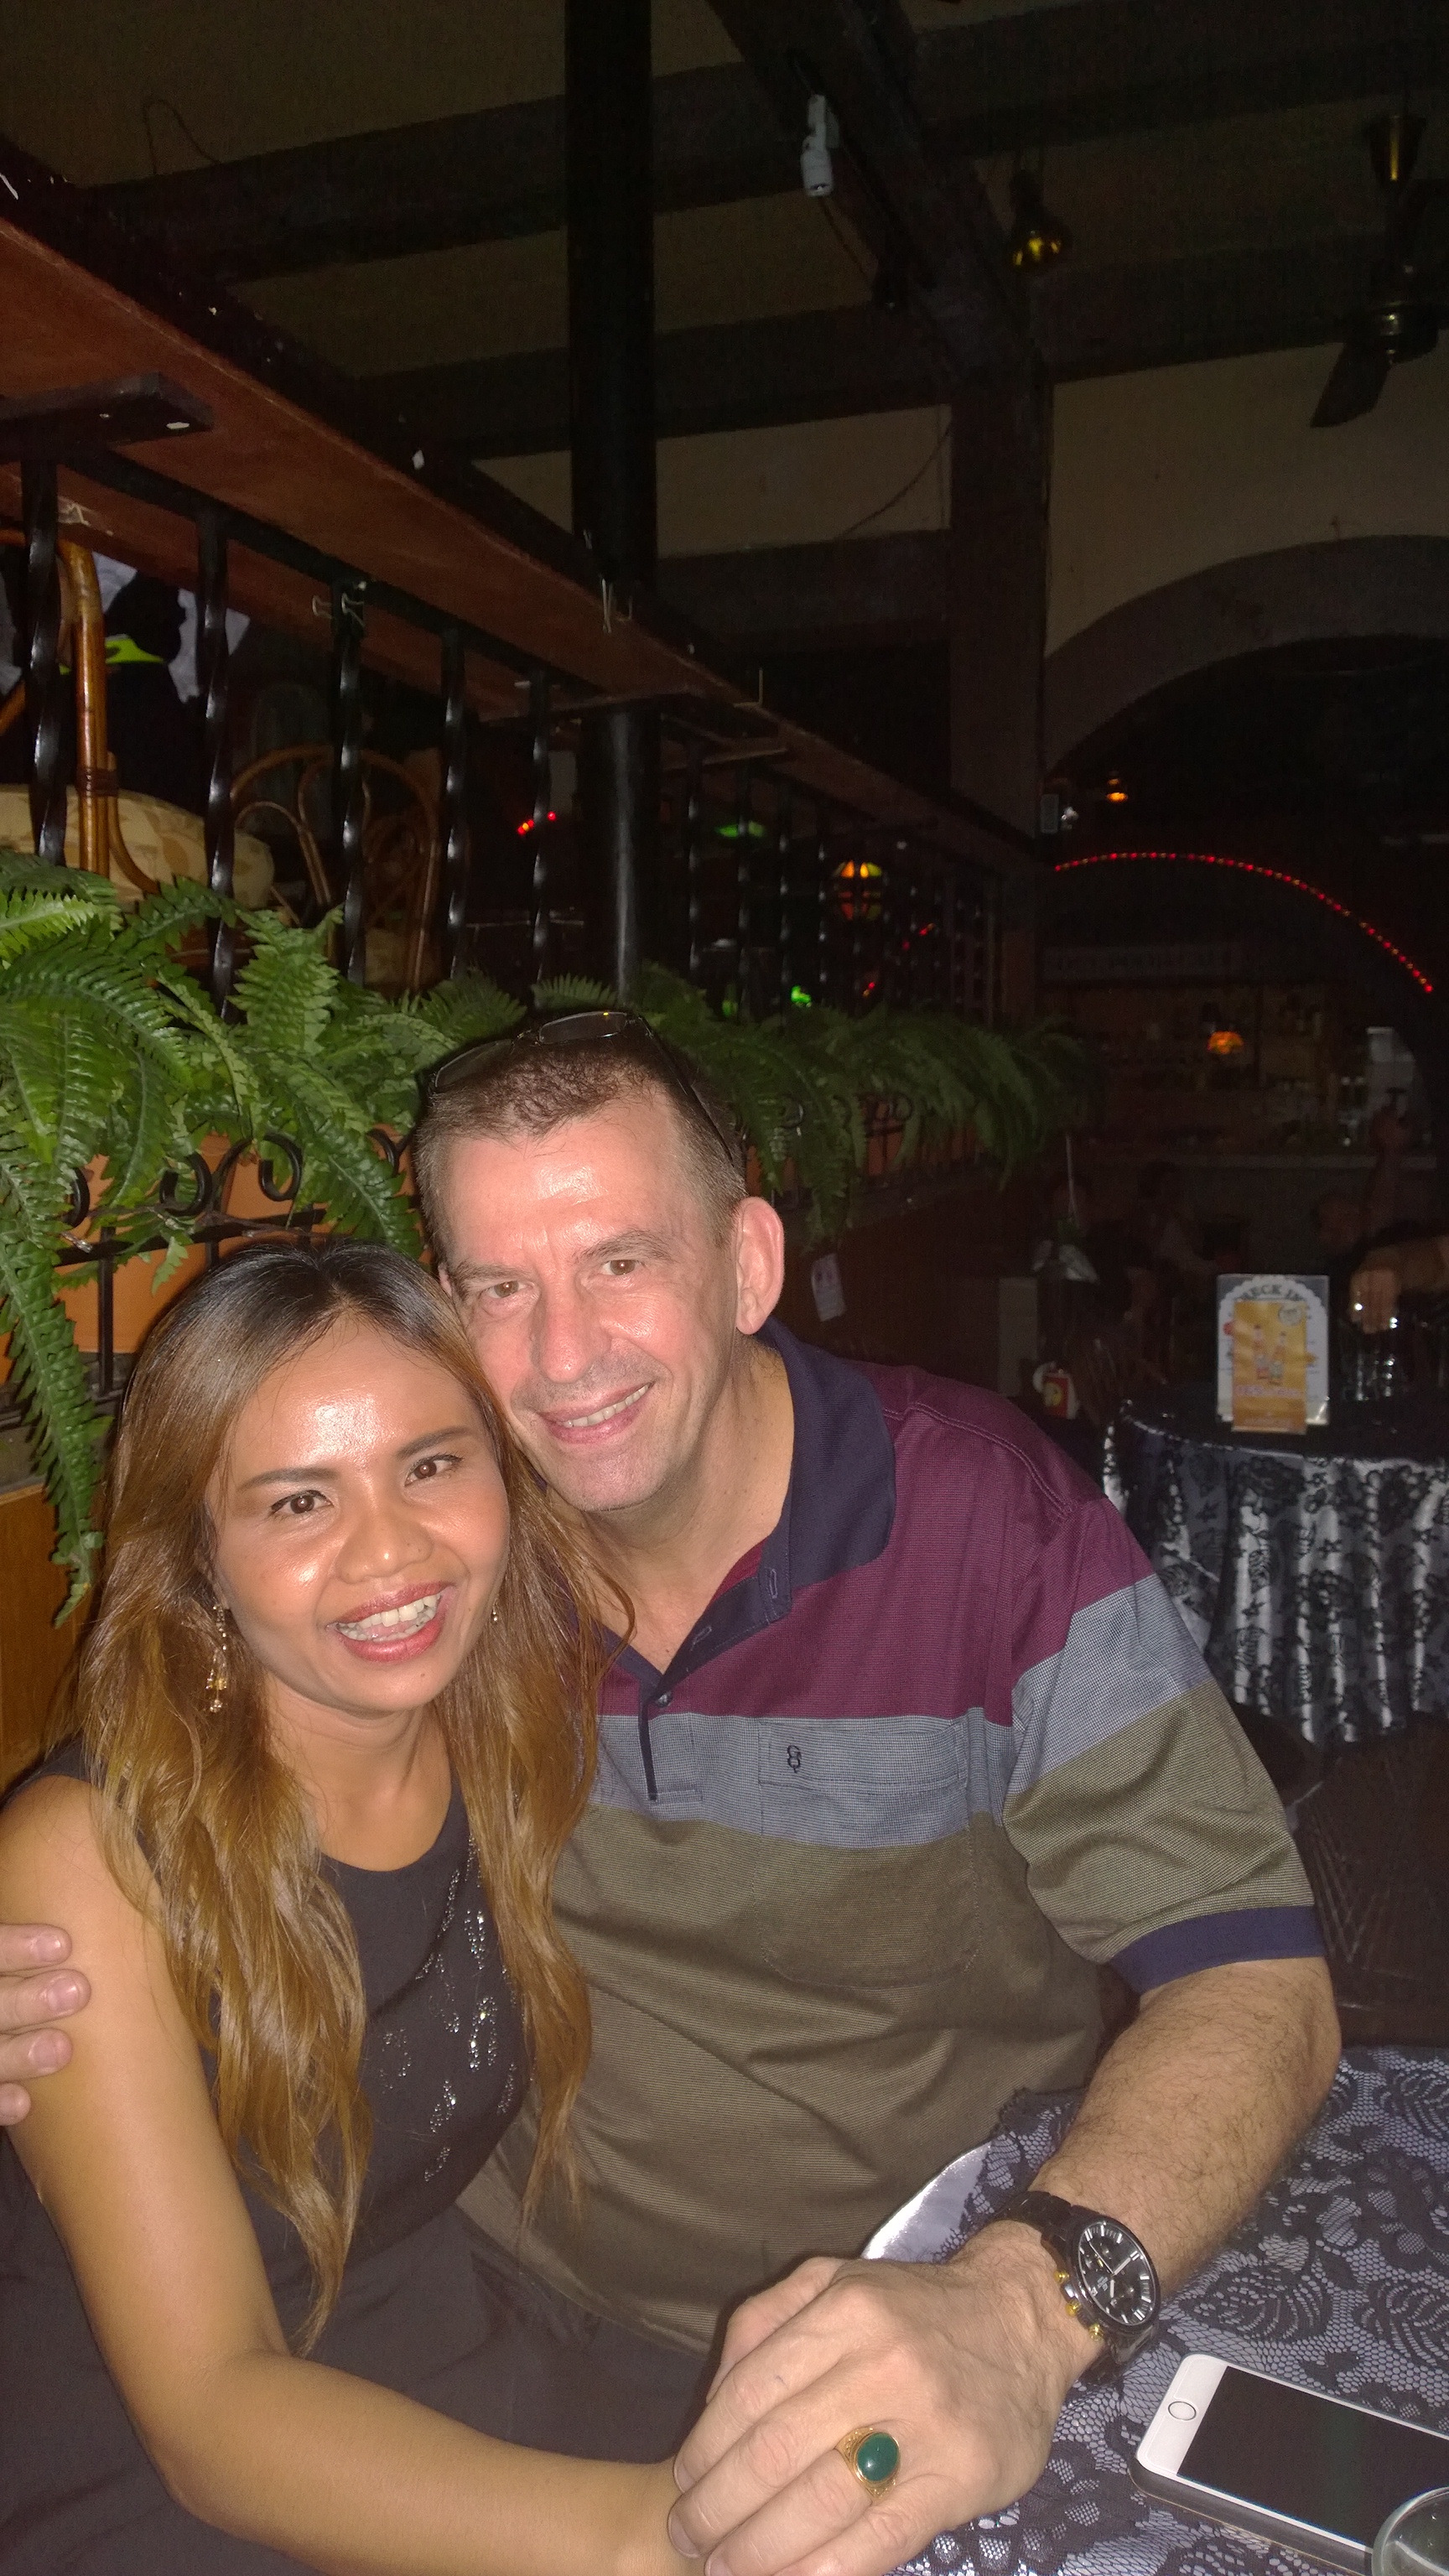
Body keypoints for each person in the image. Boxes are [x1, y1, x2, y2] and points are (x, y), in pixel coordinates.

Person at [1, 1014, 1340, 2576]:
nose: (564, 1356)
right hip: (495, 2335)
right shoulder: (462, 1578)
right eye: (501, 1288)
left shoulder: (982, 1528)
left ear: (749, 1264)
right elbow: (163, 1809)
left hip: (917, 2321)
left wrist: (1017, 2307)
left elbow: (1256, 1977)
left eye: (619, 1262)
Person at [0, 1238, 684, 2574]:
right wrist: (651, 2536)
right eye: (298, 1502)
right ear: (198, 1554)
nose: (391, 1551)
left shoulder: (505, 1735)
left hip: (447, 2367)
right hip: (162, 2477)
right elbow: (211, 2414)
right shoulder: (92, 1860)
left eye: (430, 1466)